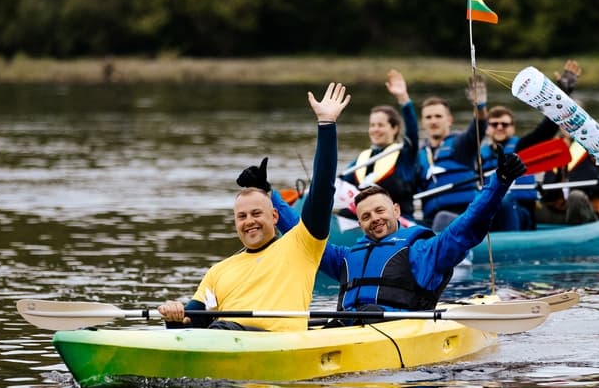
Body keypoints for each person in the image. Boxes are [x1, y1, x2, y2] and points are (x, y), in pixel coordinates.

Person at [156, 82, 351, 332]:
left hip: (275, 343)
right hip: (224, 337)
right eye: (242, 216)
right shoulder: (218, 272)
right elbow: (191, 326)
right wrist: (174, 316)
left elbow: (322, 190)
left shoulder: (302, 244)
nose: (249, 221)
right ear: (236, 223)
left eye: (257, 213)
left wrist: (326, 125)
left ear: (274, 215)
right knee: (213, 329)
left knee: (221, 330)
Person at [265, 150, 527, 314]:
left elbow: (466, 226)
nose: (374, 219)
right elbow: (304, 237)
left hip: (399, 332)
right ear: (359, 223)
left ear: (396, 210)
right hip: (345, 330)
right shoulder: (345, 258)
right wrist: (269, 195)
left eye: (379, 211)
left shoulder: (423, 251)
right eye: (365, 216)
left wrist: (499, 183)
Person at [533, 58, 599, 224]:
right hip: (556, 212)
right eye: (563, 117)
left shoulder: (593, 141)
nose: (568, 121)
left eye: (572, 116)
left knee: (576, 198)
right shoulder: (550, 145)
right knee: (525, 204)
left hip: (585, 210)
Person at [340, 69, 419, 216]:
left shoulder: (405, 154)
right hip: (367, 222)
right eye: (372, 125)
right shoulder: (362, 159)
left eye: (380, 125)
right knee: (343, 213)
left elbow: (412, 132)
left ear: (395, 128)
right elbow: (340, 185)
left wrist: (403, 98)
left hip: (400, 221)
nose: (375, 130)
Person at [415, 76, 490, 230]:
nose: (433, 121)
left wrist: (480, 107)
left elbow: (478, 127)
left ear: (449, 119)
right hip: (431, 220)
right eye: (428, 117)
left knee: (442, 218)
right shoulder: (419, 155)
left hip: (465, 216)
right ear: (423, 122)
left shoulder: (461, 144)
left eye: (438, 116)